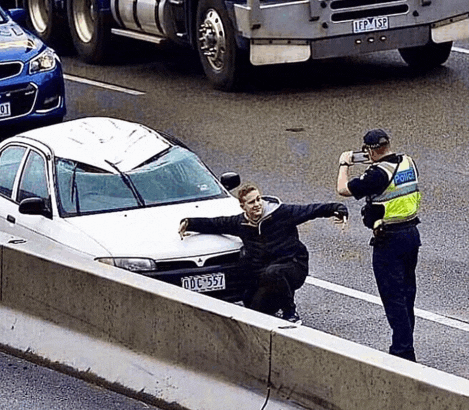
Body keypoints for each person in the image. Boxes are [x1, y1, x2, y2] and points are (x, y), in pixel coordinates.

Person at [179, 184, 348, 323]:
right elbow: (217, 223)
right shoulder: (240, 223)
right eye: (252, 202)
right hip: (267, 274)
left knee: (273, 273)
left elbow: (312, 210)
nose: (258, 204)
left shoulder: (281, 213)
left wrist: (338, 209)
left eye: (259, 199)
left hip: (294, 265)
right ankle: (275, 299)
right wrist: (189, 223)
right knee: (254, 309)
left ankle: (290, 312)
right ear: (243, 206)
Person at [336, 128, 421, 362]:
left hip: (389, 239)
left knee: (393, 297)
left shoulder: (377, 174)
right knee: (407, 295)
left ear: (370, 150)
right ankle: (405, 343)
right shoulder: (408, 162)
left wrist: (344, 164)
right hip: (411, 234)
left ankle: (403, 352)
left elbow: (343, 189)